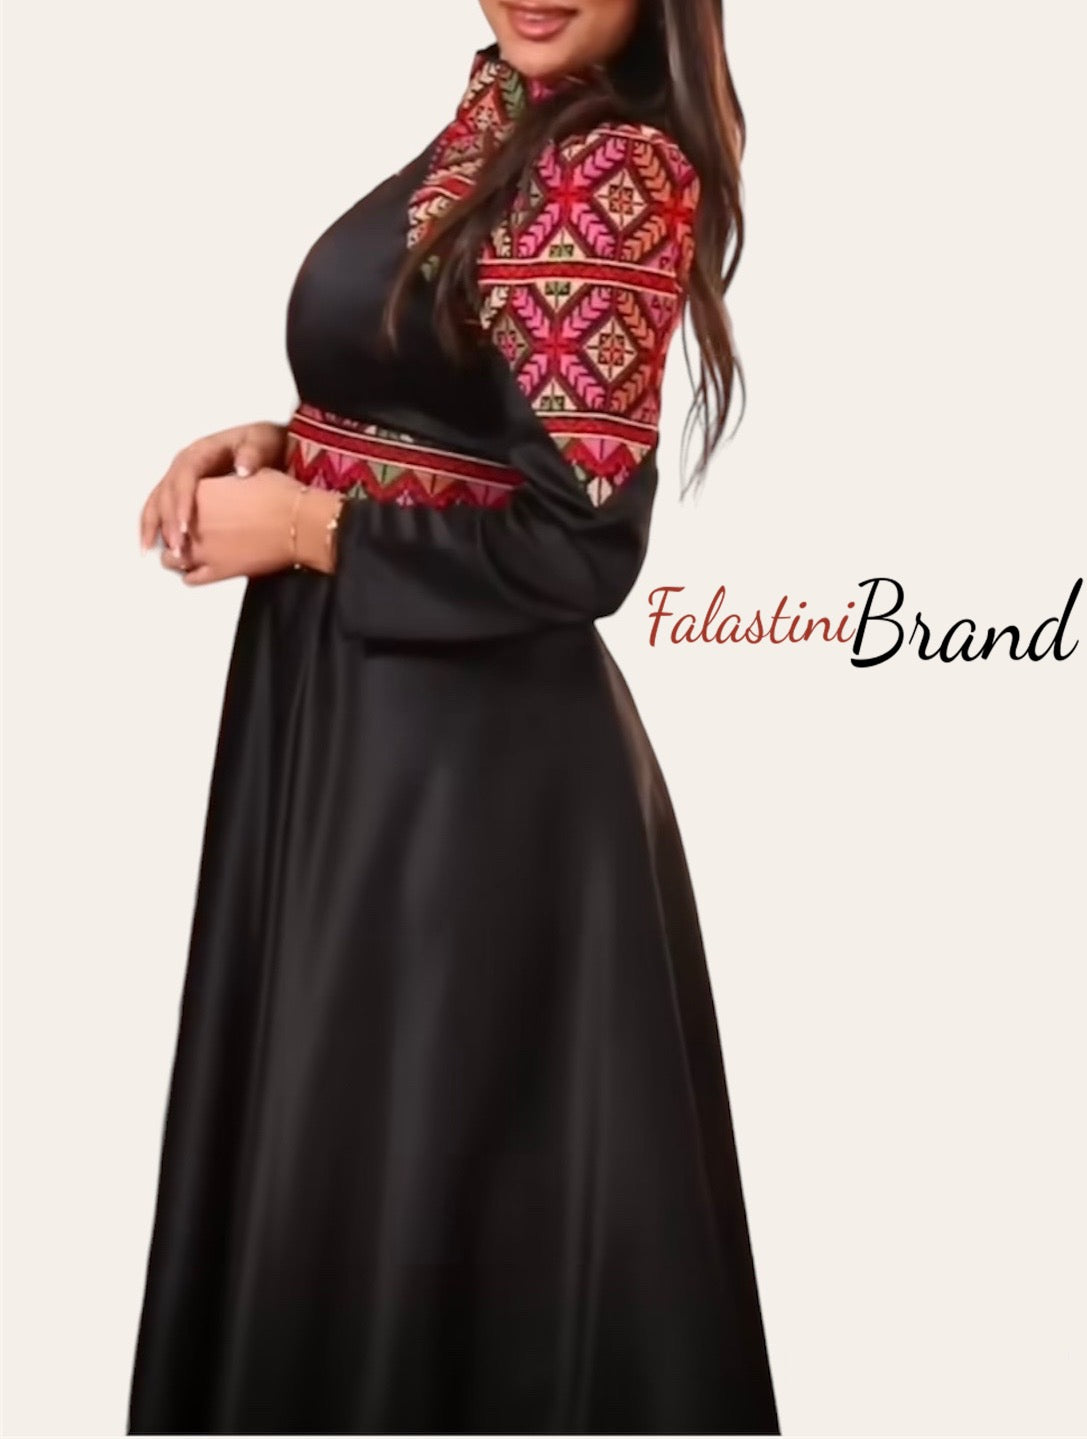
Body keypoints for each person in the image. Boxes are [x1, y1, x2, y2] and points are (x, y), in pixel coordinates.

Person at [127, 0, 782, 1433]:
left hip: (467, 786)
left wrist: (310, 526)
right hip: (363, 730)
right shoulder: (504, 118)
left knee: (416, 1200)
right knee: (342, 1174)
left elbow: (575, 549)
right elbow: (447, 406)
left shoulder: (613, 164)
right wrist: (279, 445)